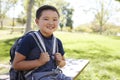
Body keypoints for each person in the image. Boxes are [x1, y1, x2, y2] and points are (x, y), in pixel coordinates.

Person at [13, 5, 70, 80]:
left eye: (55, 19)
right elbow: (16, 65)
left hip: (55, 75)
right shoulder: (29, 39)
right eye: (46, 19)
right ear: (37, 21)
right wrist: (39, 62)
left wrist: (59, 62)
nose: (51, 23)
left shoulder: (57, 42)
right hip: (34, 76)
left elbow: (63, 63)